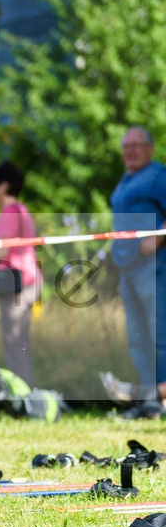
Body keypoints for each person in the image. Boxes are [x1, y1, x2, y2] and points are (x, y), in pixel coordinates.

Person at [102, 127, 166, 419]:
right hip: (129, 270)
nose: (130, 151)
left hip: (156, 269)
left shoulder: (158, 176)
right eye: (125, 146)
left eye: (136, 145)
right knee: (137, 337)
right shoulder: (126, 179)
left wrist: (160, 237)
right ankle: (149, 401)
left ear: (150, 148)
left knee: (160, 336)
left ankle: (162, 398)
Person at [0, 161, 40, 386]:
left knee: (14, 342)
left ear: (3, 186)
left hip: (16, 283)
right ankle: (24, 390)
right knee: (19, 342)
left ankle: (23, 394)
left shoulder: (8, 212)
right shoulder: (21, 209)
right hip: (27, 281)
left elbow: (1, 249)